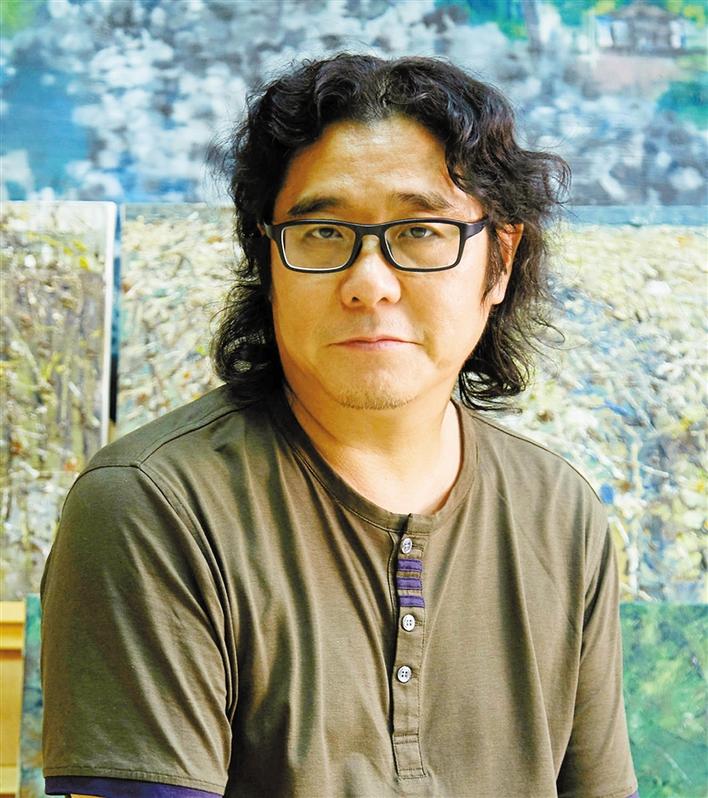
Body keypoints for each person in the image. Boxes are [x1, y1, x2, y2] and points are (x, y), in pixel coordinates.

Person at [41, 53, 639, 798]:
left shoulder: (560, 513)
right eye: (322, 233)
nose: (369, 284)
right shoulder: (154, 508)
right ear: (267, 259)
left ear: (501, 260)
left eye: (421, 231)